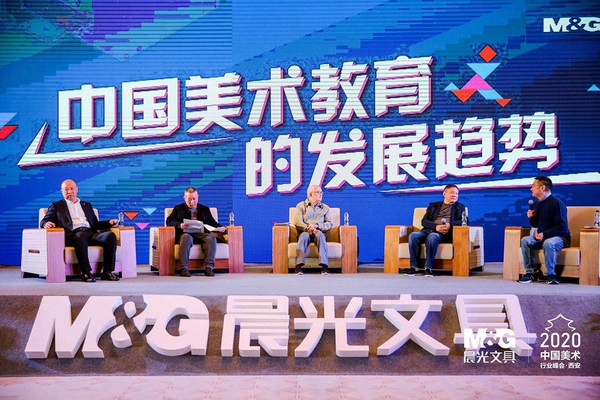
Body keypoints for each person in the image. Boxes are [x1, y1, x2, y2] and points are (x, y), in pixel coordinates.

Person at [40, 179, 120, 283]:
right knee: (80, 236)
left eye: (72, 188)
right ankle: (86, 272)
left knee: (110, 235)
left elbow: (95, 224)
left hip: (90, 233)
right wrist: (46, 223)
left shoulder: (87, 205)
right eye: (66, 189)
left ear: (77, 190)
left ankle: (107, 272)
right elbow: (45, 220)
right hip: (73, 234)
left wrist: (109, 223)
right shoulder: (57, 206)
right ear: (62, 191)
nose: (69, 192)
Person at [518, 176, 570, 285]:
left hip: (560, 238)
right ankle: (531, 272)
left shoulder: (556, 203)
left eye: (533, 186)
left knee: (548, 242)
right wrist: (531, 217)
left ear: (542, 188)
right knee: (525, 240)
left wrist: (545, 234)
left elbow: (562, 227)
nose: (531, 189)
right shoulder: (536, 204)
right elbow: (536, 225)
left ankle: (551, 275)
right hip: (543, 237)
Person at [407, 184, 466, 277]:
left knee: (432, 236)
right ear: (444, 194)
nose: (454, 195)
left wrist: (450, 224)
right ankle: (414, 267)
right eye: (452, 193)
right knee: (413, 235)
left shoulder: (460, 207)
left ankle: (428, 268)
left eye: (456, 193)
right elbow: (424, 221)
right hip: (428, 230)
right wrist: (435, 227)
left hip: (443, 234)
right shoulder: (433, 206)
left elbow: (464, 222)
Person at [166, 187, 227, 277]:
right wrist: (179, 224)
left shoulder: (205, 209)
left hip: (201, 234)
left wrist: (220, 227)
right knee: (186, 237)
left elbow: (213, 223)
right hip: (185, 234)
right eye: (189, 199)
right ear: (184, 198)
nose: (192, 202)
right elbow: (169, 221)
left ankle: (209, 267)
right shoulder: (178, 208)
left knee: (211, 237)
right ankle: (183, 268)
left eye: (194, 199)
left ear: (198, 197)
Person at [293, 185, 333, 275]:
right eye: (318, 192)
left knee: (320, 235)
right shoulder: (301, 206)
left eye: (321, 192)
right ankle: (298, 266)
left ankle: (324, 266)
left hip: (319, 231)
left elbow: (329, 224)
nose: (321, 194)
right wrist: (309, 228)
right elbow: (297, 221)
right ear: (310, 194)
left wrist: (316, 226)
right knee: (304, 235)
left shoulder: (325, 208)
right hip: (305, 231)